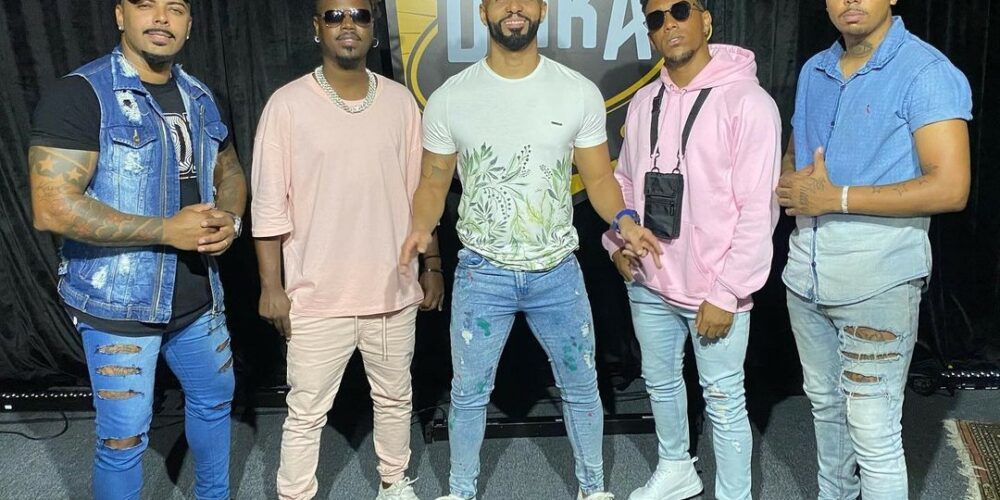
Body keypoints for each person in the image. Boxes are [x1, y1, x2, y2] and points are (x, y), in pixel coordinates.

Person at [398, 1, 662, 499]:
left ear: (542, 9)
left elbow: (599, 178)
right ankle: (460, 491)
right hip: (482, 272)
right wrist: (419, 228)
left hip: (557, 271)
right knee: (468, 394)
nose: (514, 7)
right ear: (483, 12)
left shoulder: (576, 92)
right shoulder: (451, 99)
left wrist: (625, 220)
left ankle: (592, 489)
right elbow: (433, 182)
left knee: (581, 387)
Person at [28, 0, 246, 498]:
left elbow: (230, 169)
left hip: (198, 296)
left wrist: (231, 219)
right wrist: (166, 230)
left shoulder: (200, 96)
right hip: (119, 306)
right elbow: (52, 207)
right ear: (120, 15)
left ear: (189, 24)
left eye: (176, 8)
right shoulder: (81, 94)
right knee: (123, 439)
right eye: (146, 4)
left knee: (214, 402)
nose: (161, 18)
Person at [777, 1, 973, 498]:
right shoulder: (815, 70)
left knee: (874, 433)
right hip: (805, 275)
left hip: (879, 280)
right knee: (826, 411)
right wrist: (788, 178)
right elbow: (797, 151)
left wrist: (836, 198)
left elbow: (951, 187)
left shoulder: (926, 71)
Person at [251, 1, 444, 499]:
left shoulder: (401, 103)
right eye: (334, 15)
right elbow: (268, 205)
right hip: (316, 296)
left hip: (393, 289)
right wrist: (271, 287)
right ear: (316, 28)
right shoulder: (287, 105)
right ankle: (295, 493)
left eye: (359, 14)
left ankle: (394, 483)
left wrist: (433, 265)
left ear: (373, 29)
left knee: (395, 399)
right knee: (305, 412)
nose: (347, 24)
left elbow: (421, 195)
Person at [604, 1, 781, 499]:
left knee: (723, 400)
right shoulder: (644, 102)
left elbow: (758, 209)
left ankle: (733, 494)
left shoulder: (748, 102)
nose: (669, 24)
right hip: (649, 280)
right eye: (656, 19)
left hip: (713, 288)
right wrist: (617, 242)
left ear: (705, 20)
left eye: (679, 11)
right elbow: (625, 183)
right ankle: (677, 467)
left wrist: (728, 292)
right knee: (660, 384)